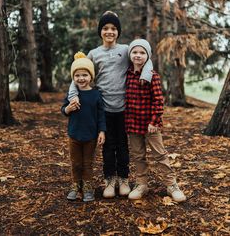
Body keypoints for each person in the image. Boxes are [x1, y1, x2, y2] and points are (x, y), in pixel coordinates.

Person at [68, 11, 153, 198]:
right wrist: (72, 94)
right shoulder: (94, 53)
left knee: (123, 146)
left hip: (125, 108)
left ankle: (123, 179)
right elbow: (78, 72)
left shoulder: (125, 49)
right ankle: (109, 180)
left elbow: (146, 57)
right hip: (104, 109)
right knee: (108, 147)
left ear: (118, 31)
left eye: (113, 28)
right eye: (105, 28)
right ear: (100, 31)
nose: (109, 32)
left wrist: (146, 76)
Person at [125, 39, 186, 202]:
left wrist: (153, 121)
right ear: (130, 54)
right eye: (135, 52)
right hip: (132, 124)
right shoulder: (127, 75)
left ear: (148, 56)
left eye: (142, 53)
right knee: (138, 155)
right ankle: (141, 184)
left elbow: (158, 101)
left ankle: (172, 185)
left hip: (151, 125)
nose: (138, 55)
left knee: (160, 155)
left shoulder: (153, 76)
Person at [61, 52, 106, 202]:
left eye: (85, 75)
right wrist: (68, 109)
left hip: (91, 136)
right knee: (76, 162)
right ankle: (75, 185)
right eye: (77, 75)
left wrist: (102, 131)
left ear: (91, 77)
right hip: (74, 135)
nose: (81, 78)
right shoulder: (72, 95)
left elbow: (101, 115)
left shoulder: (95, 95)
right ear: (73, 78)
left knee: (88, 163)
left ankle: (87, 186)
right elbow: (63, 110)